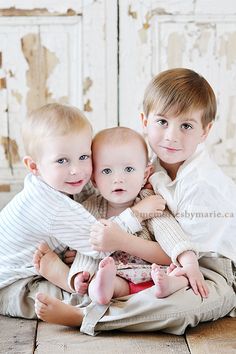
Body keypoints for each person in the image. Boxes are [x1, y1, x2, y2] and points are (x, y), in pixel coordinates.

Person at [35, 69, 235, 335]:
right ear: (145, 121)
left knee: (188, 304)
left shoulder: (202, 186)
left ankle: (86, 316)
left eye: (186, 126)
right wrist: (88, 243)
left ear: (205, 131)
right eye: (162, 122)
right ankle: (84, 290)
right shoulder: (147, 165)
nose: (171, 136)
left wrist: (118, 240)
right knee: (109, 277)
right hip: (154, 264)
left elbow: (176, 250)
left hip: (207, 265)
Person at [0, 103, 164, 319]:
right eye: (62, 160)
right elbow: (101, 242)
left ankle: (65, 274)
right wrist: (137, 213)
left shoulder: (65, 181)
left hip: (35, 267)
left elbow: (95, 202)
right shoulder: (49, 205)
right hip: (16, 286)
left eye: (84, 157)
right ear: (34, 166)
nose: (76, 169)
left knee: (98, 280)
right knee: (100, 292)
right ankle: (65, 286)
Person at [34, 127, 207, 310]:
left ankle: (167, 286)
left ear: (145, 174)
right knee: (97, 284)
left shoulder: (150, 203)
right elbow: (88, 249)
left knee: (179, 276)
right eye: (107, 171)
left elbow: (171, 235)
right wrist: (79, 275)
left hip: (154, 271)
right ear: (94, 179)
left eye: (129, 169)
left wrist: (189, 262)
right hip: (118, 276)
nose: (118, 179)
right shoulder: (90, 208)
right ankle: (102, 290)